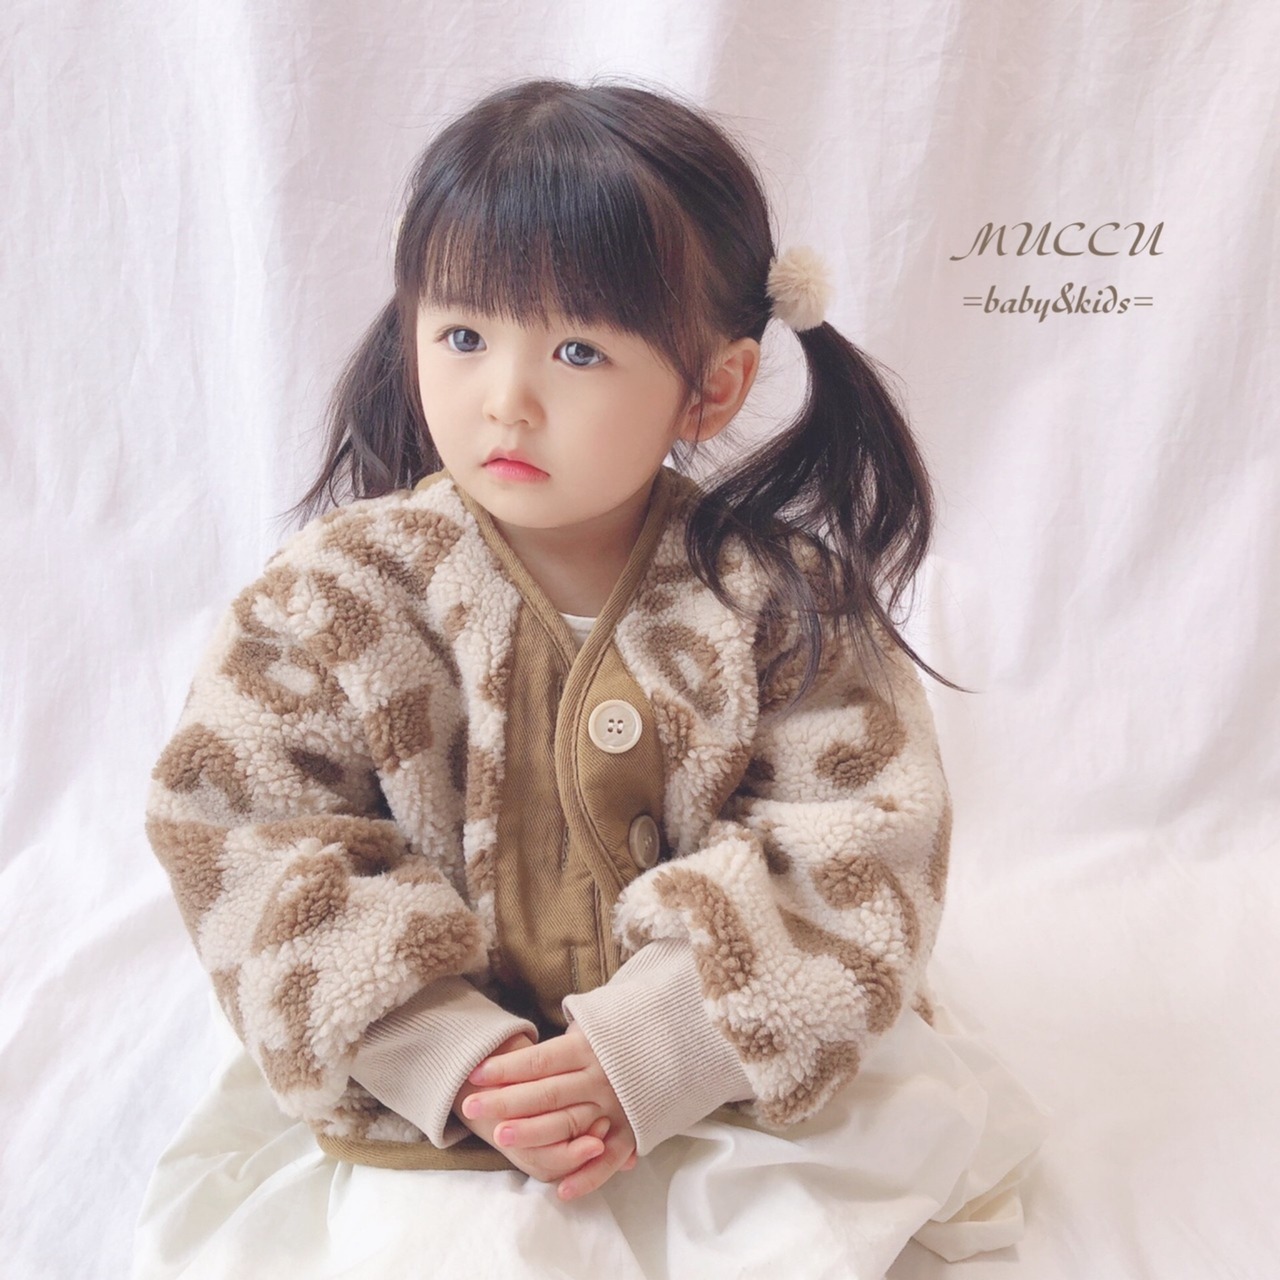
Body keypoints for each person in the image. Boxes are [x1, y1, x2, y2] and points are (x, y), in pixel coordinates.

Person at [134, 77, 1047, 1279]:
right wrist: (443, 1052)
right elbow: (243, 833)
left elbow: (861, 839)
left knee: (816, 1214)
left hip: (728, 1067)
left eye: (575, 350)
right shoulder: (332, 595)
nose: (505, 399)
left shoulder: (781, 600)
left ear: (710, 386)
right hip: (442, 1098)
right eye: (463, 335)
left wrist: (660, 1046)